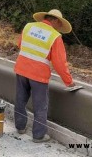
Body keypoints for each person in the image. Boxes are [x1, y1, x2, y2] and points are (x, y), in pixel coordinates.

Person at [14, 9, 75, 143]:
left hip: (21, 69)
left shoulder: (29, 26)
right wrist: (68, 82)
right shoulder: (54, 36)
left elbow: (20, 45)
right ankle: (38, 135)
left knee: (20, 99)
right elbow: (59, 63)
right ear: (56, 20)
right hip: (38, 75)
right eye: (59, 24)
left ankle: (20, 127)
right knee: (40, 105)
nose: (59, 27)